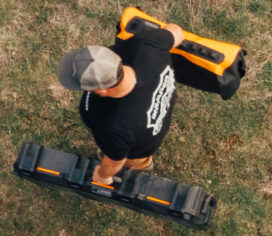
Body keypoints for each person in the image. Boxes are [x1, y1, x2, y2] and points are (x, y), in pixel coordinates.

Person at [57, 21, 185, 186]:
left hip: (141, 145)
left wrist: (102, 175)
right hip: (162, 107)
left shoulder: (116, 127)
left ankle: (141, 164)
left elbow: (114, 162)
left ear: (102, 91)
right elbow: (177, 32)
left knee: (129, 157)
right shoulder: (149, 44)